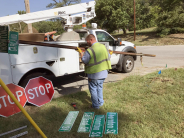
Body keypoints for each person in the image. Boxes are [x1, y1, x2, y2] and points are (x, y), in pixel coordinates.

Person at [77, 34, 112, 109]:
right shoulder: (103, 47)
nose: (87, 43)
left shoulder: (90, 50)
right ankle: (100, 102)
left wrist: (81, 53)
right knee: (99, 88)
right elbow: (109, 56)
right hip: (103, 73)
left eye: (87, 41)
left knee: (93, 89)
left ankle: (95, 106)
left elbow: (84, 61)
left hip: (94, 74)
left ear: (91, 40)